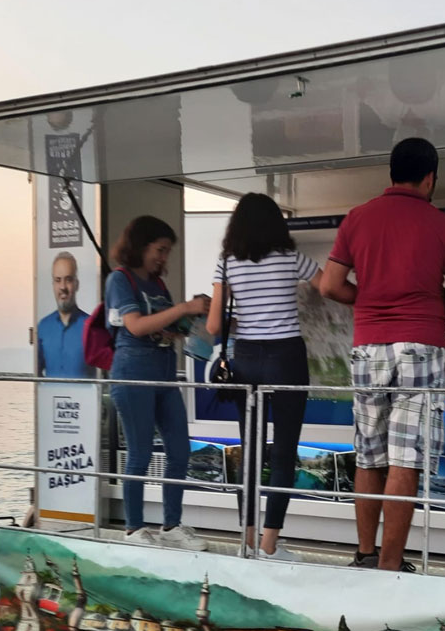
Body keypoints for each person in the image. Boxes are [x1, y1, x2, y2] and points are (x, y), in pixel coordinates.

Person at [319, 137, 445, 571]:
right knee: (406, 456)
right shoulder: (442, 226)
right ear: (430, 178)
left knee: (370, 453)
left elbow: (329, 286)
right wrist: (428, 296)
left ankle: (365, 555)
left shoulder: (357, 219)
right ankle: (391, 565)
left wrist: (368, 297)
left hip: (368, 346)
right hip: (421, 348)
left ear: (391, 173)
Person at [207, 193, 322, 561]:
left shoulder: (227, 263)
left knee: (251, 451)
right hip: (286, 356)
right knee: (285, 451)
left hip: (245, 359)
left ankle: (248, 538)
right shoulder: (292, 258)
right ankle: (270, 545)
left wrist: (249, 318)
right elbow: (329, 286)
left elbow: (214, 323)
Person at [105, 215, 210, 550]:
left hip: (164, 373)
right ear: (141, 246)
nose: (163, 258)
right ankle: (134, 528)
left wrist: (187, 320)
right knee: (140, 451)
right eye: (160, 250)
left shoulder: (157, 284)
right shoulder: (119, 281)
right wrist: (183, 307)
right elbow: (135, 326)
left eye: (167, 252)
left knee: (179, 449)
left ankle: (171, 524)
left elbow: (161, 324)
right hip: (133, 373)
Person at [38, 251, 95, 378]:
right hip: (51, 397)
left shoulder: (92, 327)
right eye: (58, 280)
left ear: (77, 284)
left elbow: (101, 375)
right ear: (53, 285)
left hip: (84, 398)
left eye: (68, 279)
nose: (63, 286)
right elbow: (37, 376)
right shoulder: (43, 327)